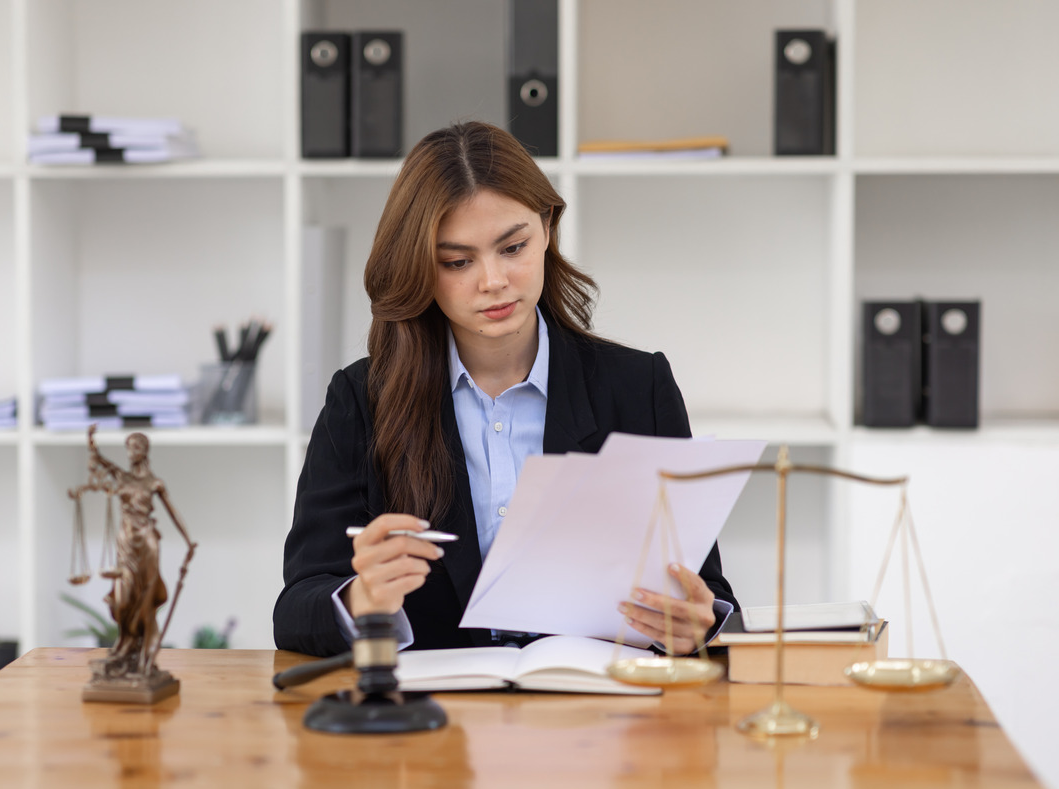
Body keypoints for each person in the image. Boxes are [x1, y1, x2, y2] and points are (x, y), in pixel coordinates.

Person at [274, 121, 737, 658]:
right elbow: (296, 611)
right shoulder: (362, 400)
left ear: (546, 228)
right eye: (458, 262)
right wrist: (361, 597)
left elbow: (710, 597)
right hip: (434, 726)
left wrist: (698, 625)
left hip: (598, 720)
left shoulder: (638, 387)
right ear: (420, 267)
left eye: (512, 247)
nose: (493, 281)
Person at [78, 427, 197, 679]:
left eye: (135, 447)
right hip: (125, 542)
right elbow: (100, 463)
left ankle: (143, 655)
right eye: (128, 447)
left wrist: (188, 541)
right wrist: (91, 445)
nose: (130, 452)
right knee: (122, 599)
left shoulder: (154, 483)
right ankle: (125, 644)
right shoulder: (121, 477)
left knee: (145, 600)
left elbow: (173, 512)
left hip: (147, 541)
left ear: (144, 450)